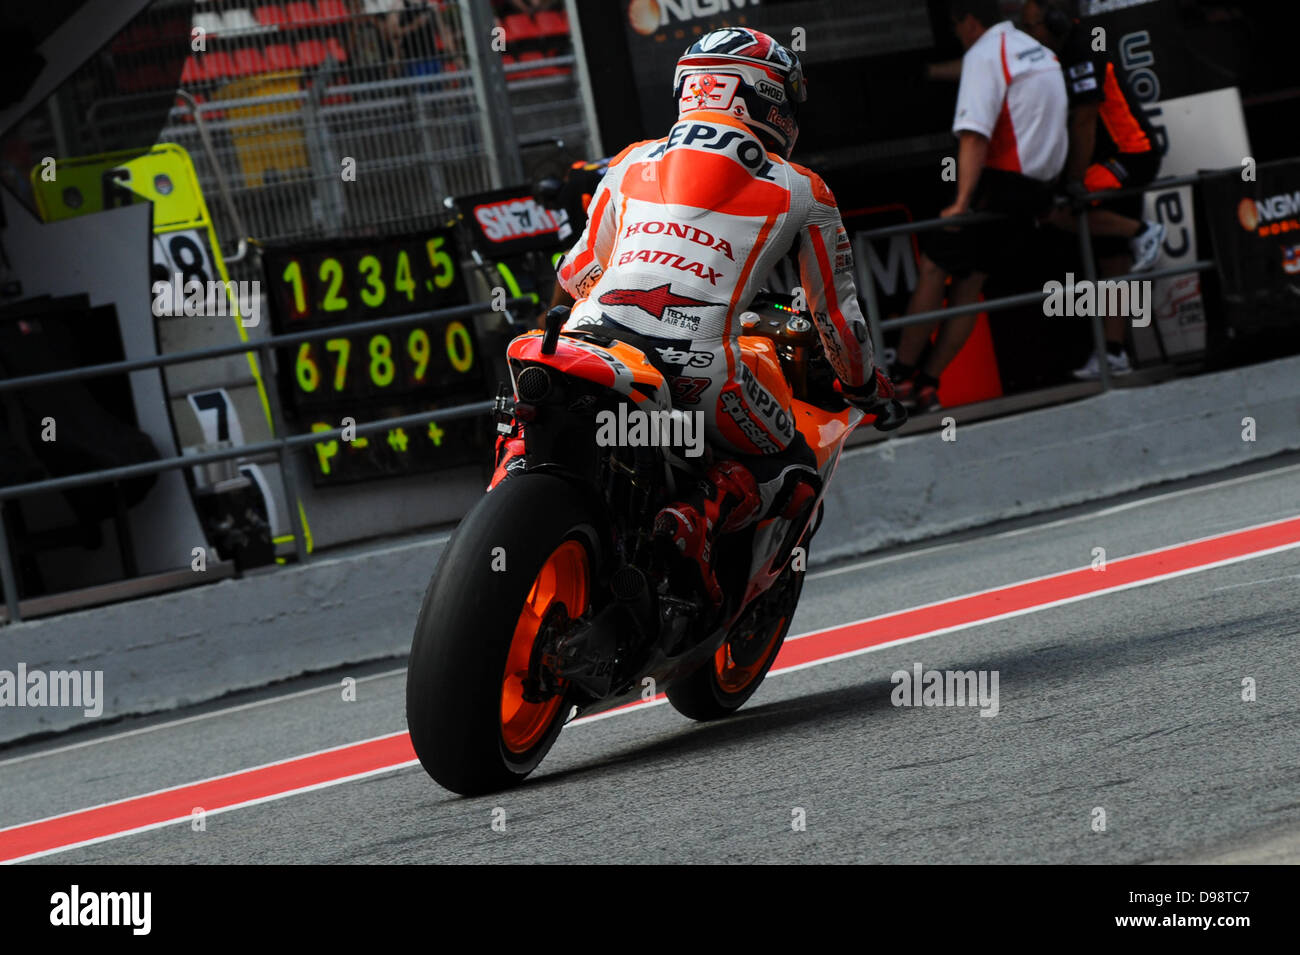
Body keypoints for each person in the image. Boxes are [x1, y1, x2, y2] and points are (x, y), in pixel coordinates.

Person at [537, 27, 891, 606]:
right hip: (698, 367)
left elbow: (576, 272)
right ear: (759, 96)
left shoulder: (630, 160)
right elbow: (836, 315)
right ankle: (696, 515)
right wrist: (864, 385)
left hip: (586, 337)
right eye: (786, 97)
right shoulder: (803, 188)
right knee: (797, 467)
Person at [891, 0, 1067, 413]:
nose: (957, 36)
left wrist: (961, 203)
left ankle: (898, 379)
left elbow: (973, 135)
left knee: (935, 266)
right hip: (1038, 191)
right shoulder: (1033, 48)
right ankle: (929, 386)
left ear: (970, 22)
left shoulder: (985, 54)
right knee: (969, 284)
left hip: (1001, 186)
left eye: (956, 28)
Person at [1020, 0, 1166, 380]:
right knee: (1112, 263)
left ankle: (1143, 232)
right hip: (1111, 159)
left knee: (1052, 208)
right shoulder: (1060, 54)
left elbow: (1084, 120)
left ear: (1052, 21)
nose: (1030, 35)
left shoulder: (1083, 47)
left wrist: (1074, 180)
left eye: (1032, 26)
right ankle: (1114, 353)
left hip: (1131, 155)